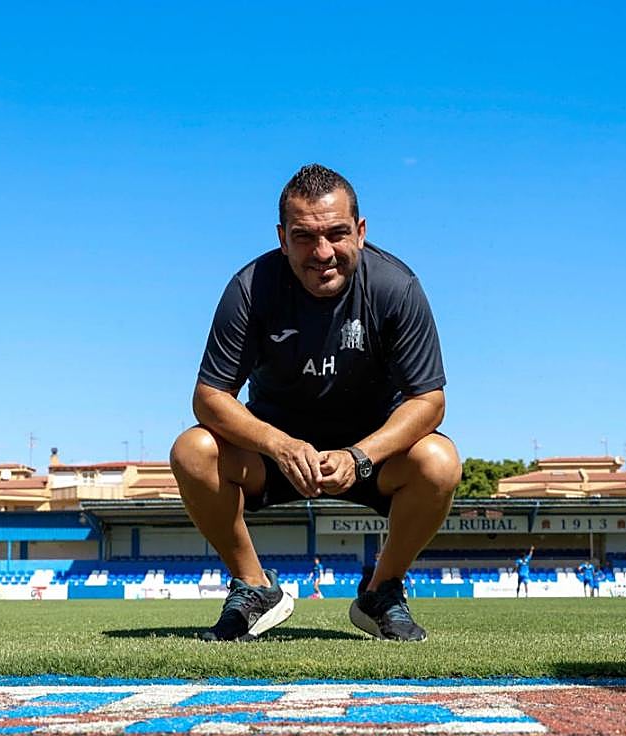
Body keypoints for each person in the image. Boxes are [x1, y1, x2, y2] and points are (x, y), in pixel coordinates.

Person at [170, 164, 461, 642]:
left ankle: (381, 591)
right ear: (283, 238)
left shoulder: (396, 287)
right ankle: (255, 586)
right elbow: (209, 397)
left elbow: (428, 401)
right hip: (278, 457)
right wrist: (280, 445)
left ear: (361, 232)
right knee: (192, 450)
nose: (322, 253)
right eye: (305, 237)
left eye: (337, 234)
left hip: (372, 460)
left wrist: (359, 456)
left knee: (439, 460)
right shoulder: (251, 288)